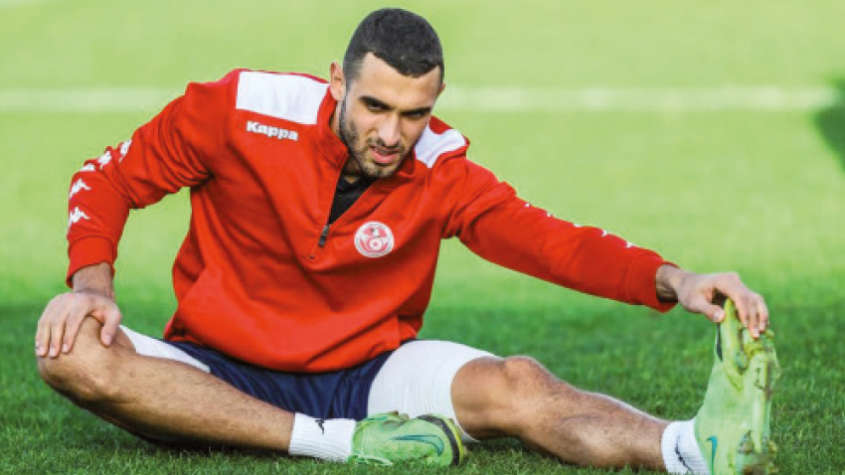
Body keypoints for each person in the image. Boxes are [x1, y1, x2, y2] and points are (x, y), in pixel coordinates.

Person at [35, 8, 779, 473]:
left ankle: (691, 449)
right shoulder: (237, 109)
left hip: (365, 378)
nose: (391, 134)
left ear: (436, 100)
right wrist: (91, 287)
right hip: (208, 370)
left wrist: (676, 280)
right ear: (337, 81)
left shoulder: (441, 167)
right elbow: (108, 178)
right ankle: (334, 444)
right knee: (70, 350)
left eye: (414, 113)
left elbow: (550, 242)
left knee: (518, 382)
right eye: (374, 106)